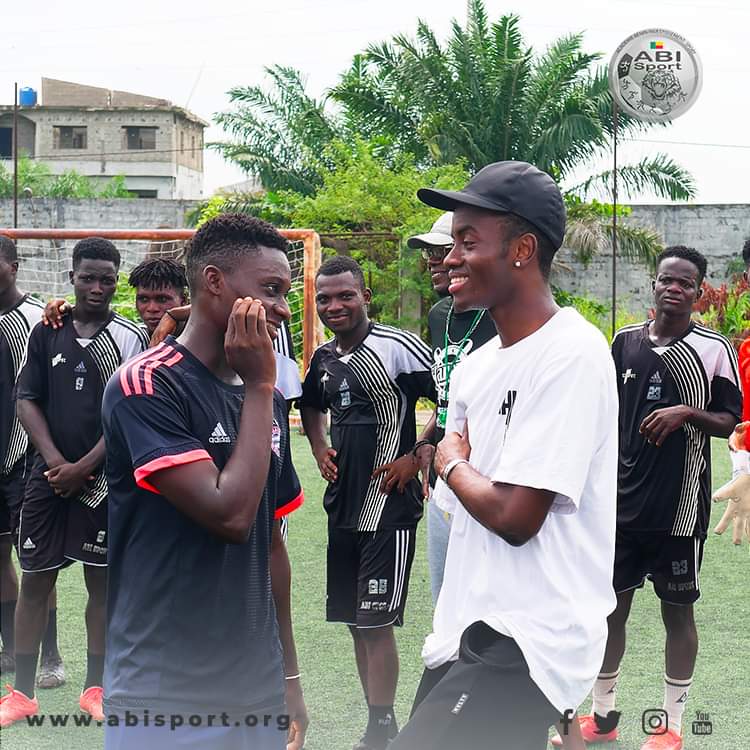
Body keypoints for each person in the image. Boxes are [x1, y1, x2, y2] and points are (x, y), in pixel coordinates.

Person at [388, 161, 619, 750]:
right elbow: (459, 503)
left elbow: (517, 516)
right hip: (466, 626)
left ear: (521, 248)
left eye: (467, 241)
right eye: (449, 242)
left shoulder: (571, 353)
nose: (449, 256)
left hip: (532, 636)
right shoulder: (475, 368)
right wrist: (457, 471)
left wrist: (449, 462)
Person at [101, 213, 307, 750]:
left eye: (286, 292)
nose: (284, 309)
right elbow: (230, 516)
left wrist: (288, 675)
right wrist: (262, 385)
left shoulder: (268, 399)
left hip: (255, 689)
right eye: (271, 290)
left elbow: (270, 545)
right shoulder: (147, 383)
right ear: (214, 282)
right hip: (165, 694)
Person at [572, 246, 741, 750]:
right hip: (620, 507)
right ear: (654, 284)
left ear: (698, 292)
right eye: (667, 279)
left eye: (685, 283)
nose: (674, 288)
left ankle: (671, 728)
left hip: (679, 510)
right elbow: (600, 412)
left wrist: (685, 413)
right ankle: (603, 718)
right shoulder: (622, 342)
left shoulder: (712, 348)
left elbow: (731, 421)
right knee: (610, 611)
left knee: (677, 613)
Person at [0, 237, 148, 727]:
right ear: (71, 278)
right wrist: (56, 461)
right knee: (36, 580)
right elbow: (26, 400)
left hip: (102, 481)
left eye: (107, 278)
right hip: (46, 477)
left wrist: (83, 467)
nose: (97, 286)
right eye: (88, 277)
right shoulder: (48, 330)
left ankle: (96, 688)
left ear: (116, 280)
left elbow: (130, 411)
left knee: (100, 585)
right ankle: (21, 693)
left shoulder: (129, 338)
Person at [300, 256, 436, 750]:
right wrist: (318, 446)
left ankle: (381, 729)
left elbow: (455, 397)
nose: (334, 306)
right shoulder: (322, 358)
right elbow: (310, 406)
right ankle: (380, 723)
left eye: (345, 296)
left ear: (365, 296)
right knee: (357, 623)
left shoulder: (398, 346)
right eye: (325, 299)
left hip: (388, 507)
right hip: (343, 507)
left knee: (376, 622)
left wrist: (418, 454)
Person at [405, 211, 496, 603]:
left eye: (439, 250)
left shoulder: (498, 315)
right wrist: (426, 443)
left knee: (486, 598)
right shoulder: (439, 314)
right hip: (444, 476)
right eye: (429, 252)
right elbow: (447, 397)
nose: (432, 261)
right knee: (445, 599)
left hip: (487, 475)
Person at [0, 236, 45, 676]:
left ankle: (49, 656)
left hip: (27, 462)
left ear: (13, 266)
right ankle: (11, 650)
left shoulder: (38, 320)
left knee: (34, 561)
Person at [42, 256, 189, 337]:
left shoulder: (200, 339)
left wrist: (173, 315)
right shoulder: (134, 337)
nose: (152, 308)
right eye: (143, 299)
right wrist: (68, 310)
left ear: (184, 301)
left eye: (162, 299)